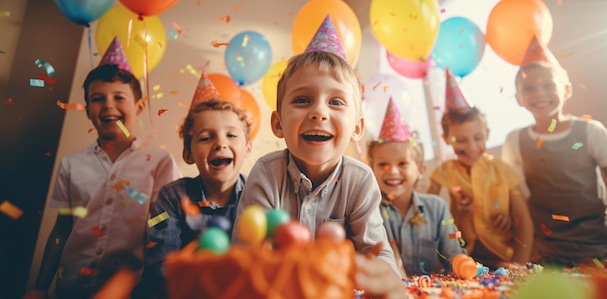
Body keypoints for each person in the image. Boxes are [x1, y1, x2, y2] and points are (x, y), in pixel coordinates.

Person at [232, 15, 406, 298]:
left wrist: (385, 280)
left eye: (336, 102)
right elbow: (246, 258)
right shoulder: (266, 174)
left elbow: (378, 254)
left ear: (357, 128)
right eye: (302, 100)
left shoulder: (360, 181)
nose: (319, 112)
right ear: (278, 123)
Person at [24, 38, 180, 299]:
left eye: (119, 97)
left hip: (132, 290)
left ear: (139, 107)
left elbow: (165, 229)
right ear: (87, 111)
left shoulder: (159, 161)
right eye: (98, 99)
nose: (108, 105)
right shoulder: (71, 164)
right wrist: (40, 287)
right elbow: (62, 230)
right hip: (72, 287)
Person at [502, 56, 607, 266]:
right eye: (529, 88)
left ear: (567, 90)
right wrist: (520, 260)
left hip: (597, 252)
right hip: (545, 257)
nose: (539, 93)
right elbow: (517, 204)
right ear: (519, 98)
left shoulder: (591, 132)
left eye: (548, 85)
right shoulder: (515, 141)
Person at [137, 99, 252, 298]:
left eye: (231, 135)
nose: (220, 143)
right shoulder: (171, 197)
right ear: (188, 153)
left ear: (248, 148)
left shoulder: (257, 193)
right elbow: (160, 267)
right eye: (206, 138)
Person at [428, 68, 533, 270]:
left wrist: (519, 263)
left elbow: (524, 220)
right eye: (460, 141)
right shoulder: (444, 172)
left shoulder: (503, 170)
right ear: (446, 140)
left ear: (487, 133)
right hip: (463, 258)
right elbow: (425, 210)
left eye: (478, 138)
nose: (471, 148)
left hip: (504, 254)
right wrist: (457, 215)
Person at [367, 97, 466, 277]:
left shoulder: (437, 207)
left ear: (421, 170)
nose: (392, 172)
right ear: (372, 169)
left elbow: (454, 254)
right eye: (383, 164)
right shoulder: (369, 211)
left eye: (402, 164)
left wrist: (463, 265)